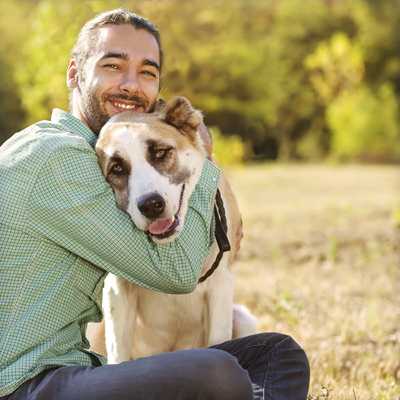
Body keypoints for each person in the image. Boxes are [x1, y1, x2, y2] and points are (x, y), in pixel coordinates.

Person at [0, 8, 310, 400]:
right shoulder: (58, 158)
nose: (132, 85)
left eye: (148, 72)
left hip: (69, 369)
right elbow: (177, 272)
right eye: (113, 66)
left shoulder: (95, 157)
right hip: (25, 386)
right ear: (74, 74)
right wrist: (198, 153)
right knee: (216, 371)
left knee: (278, 354)